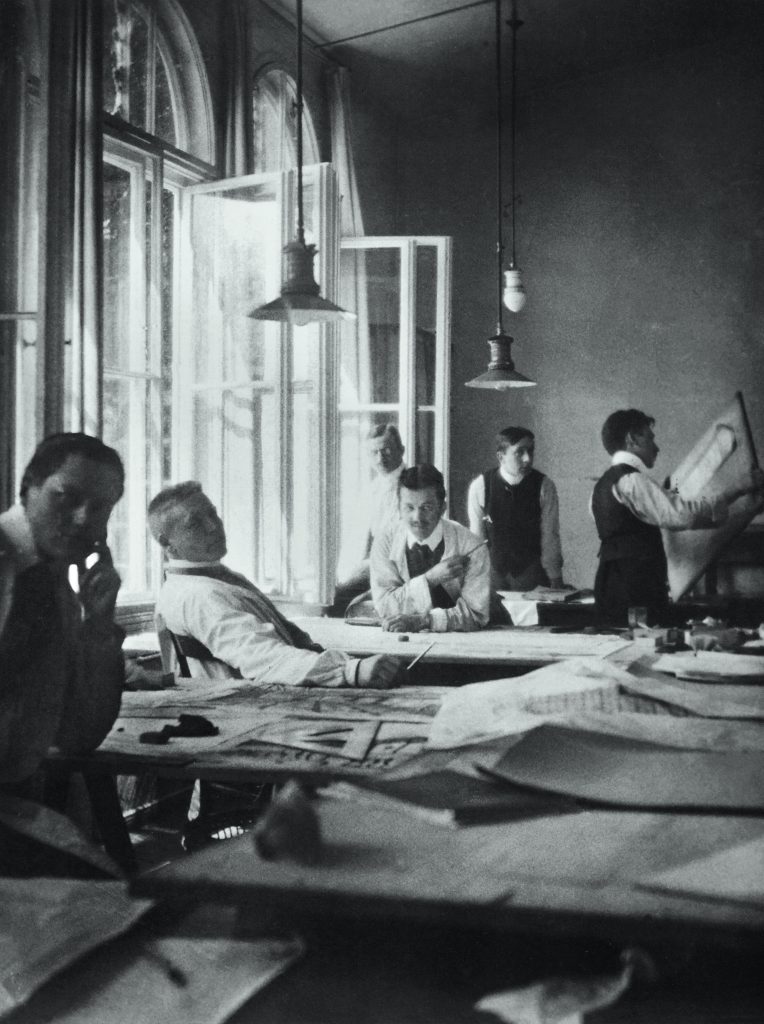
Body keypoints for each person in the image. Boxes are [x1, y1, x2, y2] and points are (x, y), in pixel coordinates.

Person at [1, 433, 126, 876]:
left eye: (101, 508)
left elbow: (78, 735)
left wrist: (99, 626)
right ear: (29, 487)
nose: (82, 519)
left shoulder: (60, 589)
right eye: (66, 498)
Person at [148, 482, 402, 688]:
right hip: (253, 707)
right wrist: (350, 670)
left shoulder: (204, 580)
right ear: (167, 543)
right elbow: (264, 657)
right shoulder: (198, 596)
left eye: (212, 513)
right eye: (195, 523)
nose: (214, 526)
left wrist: (347, 665)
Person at [592, 409, 764, 625]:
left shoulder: (601, 485)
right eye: (650, 438)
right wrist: (737, 489)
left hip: (609, 586)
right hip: (635, 588)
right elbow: (684, 515)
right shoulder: (633, 481)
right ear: (632, 439)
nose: (656, 447)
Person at [370, 464, 490, 632]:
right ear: (399, 508)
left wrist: (424, 621)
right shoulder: (385, 542)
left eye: (426, 508)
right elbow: (384, 607)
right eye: (409, 508)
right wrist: (430, 579)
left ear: (442, 508)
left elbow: (475, 614)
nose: (417, 518)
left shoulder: (471, 546)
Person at [467, 427, 565, 593]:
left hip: (531, 573)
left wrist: (555, 576)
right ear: (501, 457)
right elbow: (476, 539)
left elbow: (550, 535)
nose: (527, 458)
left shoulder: (545, 486)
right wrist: (475, 578)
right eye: (520, 452)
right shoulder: (480, 486)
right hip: (492, 574)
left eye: (530, 451)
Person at [334, 424, 406, 604]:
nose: (380, 459)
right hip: (370, 565)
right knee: (334, 593)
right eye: (374, 453)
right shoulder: (371, 489)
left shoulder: (413, 485)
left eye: (386, 450)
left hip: (397, 566)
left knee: (339, 598)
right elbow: (357, 539)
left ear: (401, 450)